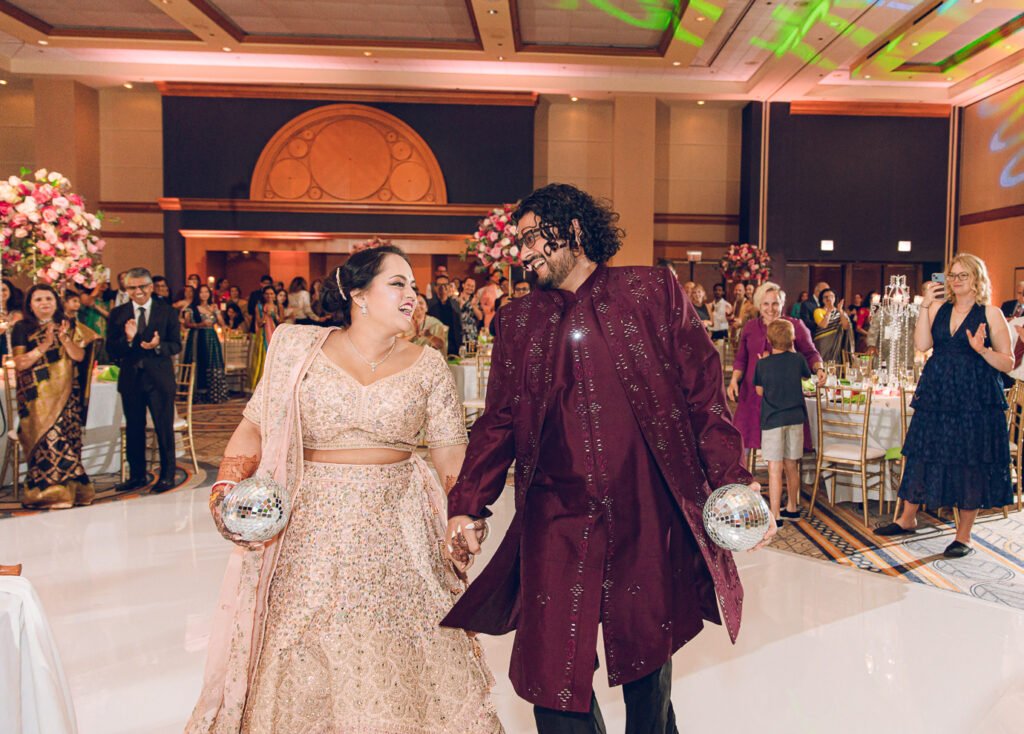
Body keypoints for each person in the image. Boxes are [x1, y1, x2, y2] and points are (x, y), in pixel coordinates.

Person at [440, 183, 773, 730]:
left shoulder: (651, 290)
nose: (523, 253)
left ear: (573, 230)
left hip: (645, 507)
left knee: (647, 663)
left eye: (531, 238)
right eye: (518, 242)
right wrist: (467, 504)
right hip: (554, 515)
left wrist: (731, 482)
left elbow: (703, 397)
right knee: (550, 675)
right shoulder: (518, 322)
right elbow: (497, 421)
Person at [186, 246, 501, 732]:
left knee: (398, 645)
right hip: (311, 527)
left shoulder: (428, 365)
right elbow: (253, 427)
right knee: (308, 639)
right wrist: (227, 486)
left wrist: (464, 512)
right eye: (397, 283)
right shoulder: (298, 351)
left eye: (413, 286)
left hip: (398, 525)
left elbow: (450, 455)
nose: (411, 295)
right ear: (358, 294)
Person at [876, 254, 1014, 557]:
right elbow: (922, 345)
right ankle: (906, 519)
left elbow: (1008, 361)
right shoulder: (939, 308)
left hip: (975, 396)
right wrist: (925, 304)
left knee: (969, 460)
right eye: (952, 275)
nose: (955, 280)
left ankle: (963, 536)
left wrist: (982, 351)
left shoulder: (991, 314)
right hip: (938, 391)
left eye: (963, 275)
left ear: (977, 278)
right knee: (924, 451)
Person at [11, 284, 99, 508]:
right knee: (47, 446)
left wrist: (64, 340)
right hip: (36, 401)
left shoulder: (68, 326)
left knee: (66, 444)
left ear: (56, 302)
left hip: (67, 398)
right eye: (38, 299)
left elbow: (80, 357)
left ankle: (72, 492)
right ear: (30, 304)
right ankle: (47, 493)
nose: (44, 303)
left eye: (48, 298)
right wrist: (44, 346)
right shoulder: (21, 327)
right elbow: (20, 363)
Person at [107, 267, 183, 494]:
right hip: (131, 379)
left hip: (159, 378)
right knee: (134, 429)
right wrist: (129, 341)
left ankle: (167, 475)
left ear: (150, 287)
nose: (138, 291)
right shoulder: (118, 313)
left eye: (142, 286)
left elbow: (176, 344)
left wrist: (157, 346)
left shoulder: (167, 311)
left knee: (163, 428)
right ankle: (137, 475)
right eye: (132, 287)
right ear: (126, 289)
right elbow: (110, 349)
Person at [727, 282, 825, 457]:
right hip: (752, 395)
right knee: (745, 444)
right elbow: (741, 359)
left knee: (788, 452)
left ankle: (781, 481)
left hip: (784, 400)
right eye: (766, 304)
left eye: (775, 303)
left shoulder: (796, 325)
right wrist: (734, 380)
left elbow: (811, 354)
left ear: (782, 304)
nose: (770, 309)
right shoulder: (750, 327)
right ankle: (746, 481)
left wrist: (819, 369)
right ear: (759, 305)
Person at [754, 319, 812, 524]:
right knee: (791, 465)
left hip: (772, 420)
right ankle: (793, 507)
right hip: (795, 419)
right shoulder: (798, 360)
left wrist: (764, 362)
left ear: (768, 340)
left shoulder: (763, 363)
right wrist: (793, 350)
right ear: (793, 339)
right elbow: (806, 378)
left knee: (774, 469)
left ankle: (775, 514)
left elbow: (759, 391)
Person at [183, 284, 228, 404]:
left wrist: (216, 311)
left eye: (206, 292)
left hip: (212, 338)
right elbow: (186, 324)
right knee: (197, 362)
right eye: (201, 292)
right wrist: (199, 325)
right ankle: (196, 395)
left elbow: (222, 323)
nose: (204, 295)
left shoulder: (213, 307)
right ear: (198, 294)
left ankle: (214, 394)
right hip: (197, 338)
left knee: (213, 362)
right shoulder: (192, 308)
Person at [813, 288, 854, 363]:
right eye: (826, 297)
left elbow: (846, 326)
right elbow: (823, 325)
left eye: (831, 296)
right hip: (823, 344)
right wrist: (828, 311)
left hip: (836, 346)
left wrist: (840, 311)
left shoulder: (840, 312)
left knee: (835, 365)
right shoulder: (818, 311)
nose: (829, 298)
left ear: (835, 298)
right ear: (822, 299)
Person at [248, 285, 278, 390]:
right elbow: (259, 321)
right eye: (267, 294)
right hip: (263, 334)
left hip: (274, 333)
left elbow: (280, 320)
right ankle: (259, 386)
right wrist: (266, 315)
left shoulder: (277, 306)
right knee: (262, 357)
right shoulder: (259, 307)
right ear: (263, 295)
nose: (269, 296)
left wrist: (273, 314)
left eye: (271, 294)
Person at [427, 275, 462, 356]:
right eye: (439, 285)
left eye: (445, 285)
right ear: (435, 287)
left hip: (453, 345)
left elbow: (459, 325)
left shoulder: (455, 303)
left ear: (450, 287)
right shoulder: (430, 304)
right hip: (435, 345)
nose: (443, 287)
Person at [458, 276, 483, 347]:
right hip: (458, 332)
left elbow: (480, 317)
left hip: (471, 333)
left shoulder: (476, 300)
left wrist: (473, 305)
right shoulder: (455, 298)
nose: (470, 288)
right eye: (468, 285)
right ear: (463, 285)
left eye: (472, 286)